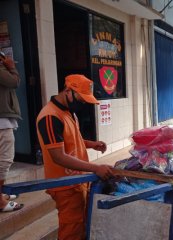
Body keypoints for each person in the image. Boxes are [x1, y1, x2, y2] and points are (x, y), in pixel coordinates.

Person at [36, 74, 114, 240]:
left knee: (80, 224)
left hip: (78, 180)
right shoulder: (50, 116)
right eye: (81, 100)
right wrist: (96, 168)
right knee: (71, 230)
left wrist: (92, 144)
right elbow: (58, 156)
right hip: (64, 185)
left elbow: (71, 140)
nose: (83, 104)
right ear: (67, 91)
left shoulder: (69, 112)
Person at [0, 53, 24, 212]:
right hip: (1, 121)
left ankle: (1, 194)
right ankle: (0, 202)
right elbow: (13, 81)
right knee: (4, 160)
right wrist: (11, 67)